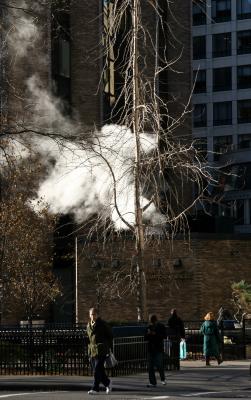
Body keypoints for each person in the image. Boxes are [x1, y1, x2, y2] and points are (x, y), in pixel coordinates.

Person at [86, 307, 113, 394]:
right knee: (99, 370)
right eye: (91, 314)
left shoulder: (103, 324)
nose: (93, 316)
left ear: (97, 315)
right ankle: (108, 383)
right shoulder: (88, 325)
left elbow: (110, 336)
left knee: (97, 369)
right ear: (89, 315)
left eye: (94, 314)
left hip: (102, 350)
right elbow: (89, 339)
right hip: (92, 350)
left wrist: (107, 347)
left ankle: (95, 388)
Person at [144, 314, 167, 387]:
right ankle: (153, 382)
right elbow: (145, 338)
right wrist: (148, 334)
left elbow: (164, 336)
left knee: (159, 365)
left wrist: (155, 334)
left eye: (152, 321)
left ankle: (162, 379)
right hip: (151, 349)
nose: (152, 322)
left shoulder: (161, 326)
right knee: (150, 367)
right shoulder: (149, 327)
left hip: (158, 348)